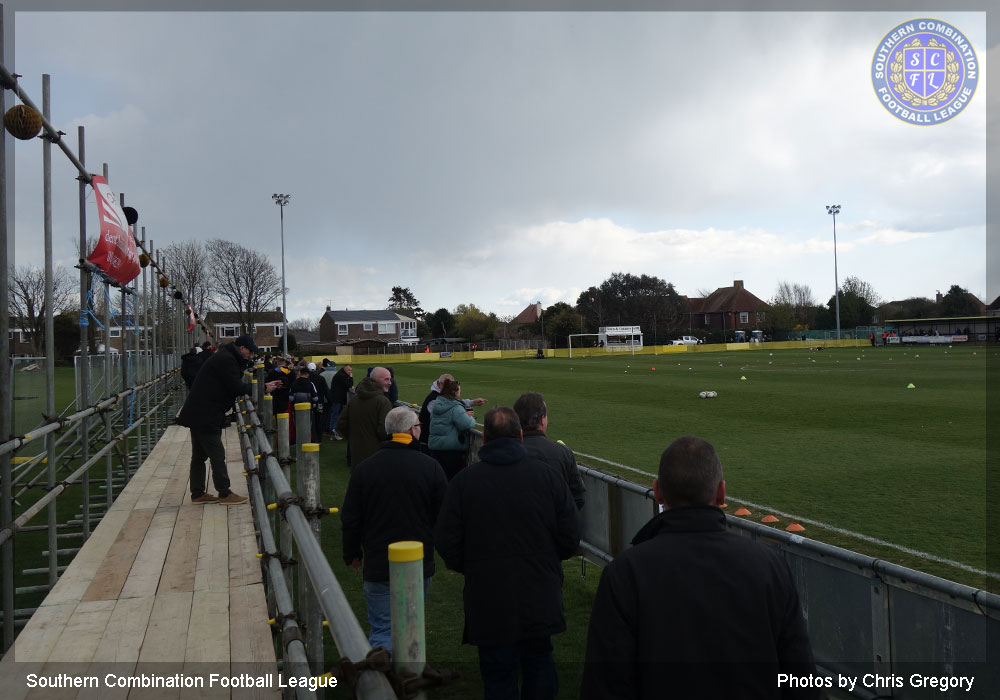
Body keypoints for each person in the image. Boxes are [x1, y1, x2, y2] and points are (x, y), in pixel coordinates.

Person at [580, 435, 817, 700]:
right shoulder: (771, 566)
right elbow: (801, 679)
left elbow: (605, 685)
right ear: (722, 493)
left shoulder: (625, 573)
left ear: (658, 492)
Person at [435, 407, 581, 700]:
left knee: (501, 673)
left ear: (485, 437)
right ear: (521, 435)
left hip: (489, 595)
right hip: (537, 590)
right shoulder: (548, 477)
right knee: (538, 663)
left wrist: (474, 566)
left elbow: (447, 541)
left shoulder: (464, 482)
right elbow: (570, 536)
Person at [340, 407, 448, 653]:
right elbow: (444, 517)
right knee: (408, 626)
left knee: (383, 630)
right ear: (412, 431)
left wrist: (352, 553)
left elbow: (351, 519)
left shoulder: (365, 469)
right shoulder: (430, 467)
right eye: (419, 425)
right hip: (416, 563)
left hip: (379, 561)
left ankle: (383, 685)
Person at [177, 335, 281, 505]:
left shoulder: (225, 356)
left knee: (199, 455)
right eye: (250, 351)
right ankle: (224, 493)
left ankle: (197, 494)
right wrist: (262, 387)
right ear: (241, 348)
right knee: (217, 454)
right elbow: (236, 387)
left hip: (201, 412)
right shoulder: (226, 359)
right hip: (206, 414)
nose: (251, 355)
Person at [513, 391, 586, 510]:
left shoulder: (505, 451)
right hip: (552, 525)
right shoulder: (563, 452)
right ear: (542, 420)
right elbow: (578, 497)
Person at [337, 366, 393, 469]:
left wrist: (354, 438)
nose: (390, 383)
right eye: (386, 379)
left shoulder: (355, 399)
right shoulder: (382, 401)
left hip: (356, 455)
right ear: (376, 380)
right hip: (376, 456)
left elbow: (341, 423)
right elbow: (384, 431)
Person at [418, 373, 487, 448]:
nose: (452, 388)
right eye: (449, 385)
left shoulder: (440, 398)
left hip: (437, 443)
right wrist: (466, 416)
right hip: (430, 442)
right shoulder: (434, 400)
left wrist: (472, 402)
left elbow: (452, 405)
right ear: (440, 384)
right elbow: (447, 417)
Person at [427, 378, 476, 480]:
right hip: (450, 451)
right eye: (459, 391)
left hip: (435, 448)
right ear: (454, 392)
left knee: (437, 479)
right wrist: (471, 418)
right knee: (451, 479)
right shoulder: (455, 407)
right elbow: (466, 424)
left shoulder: (437, 403)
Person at [327, 364, 354, 440]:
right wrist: (351, 377)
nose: (350, 372)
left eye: (351, 370)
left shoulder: (341, 374)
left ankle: (334, 432)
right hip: (337, 398)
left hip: (337, 398)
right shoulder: (341, 376)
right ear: (345, 369)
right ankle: (333, 432)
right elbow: (349, 385)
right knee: (335, 415)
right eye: (349, 370)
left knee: (336, 414)